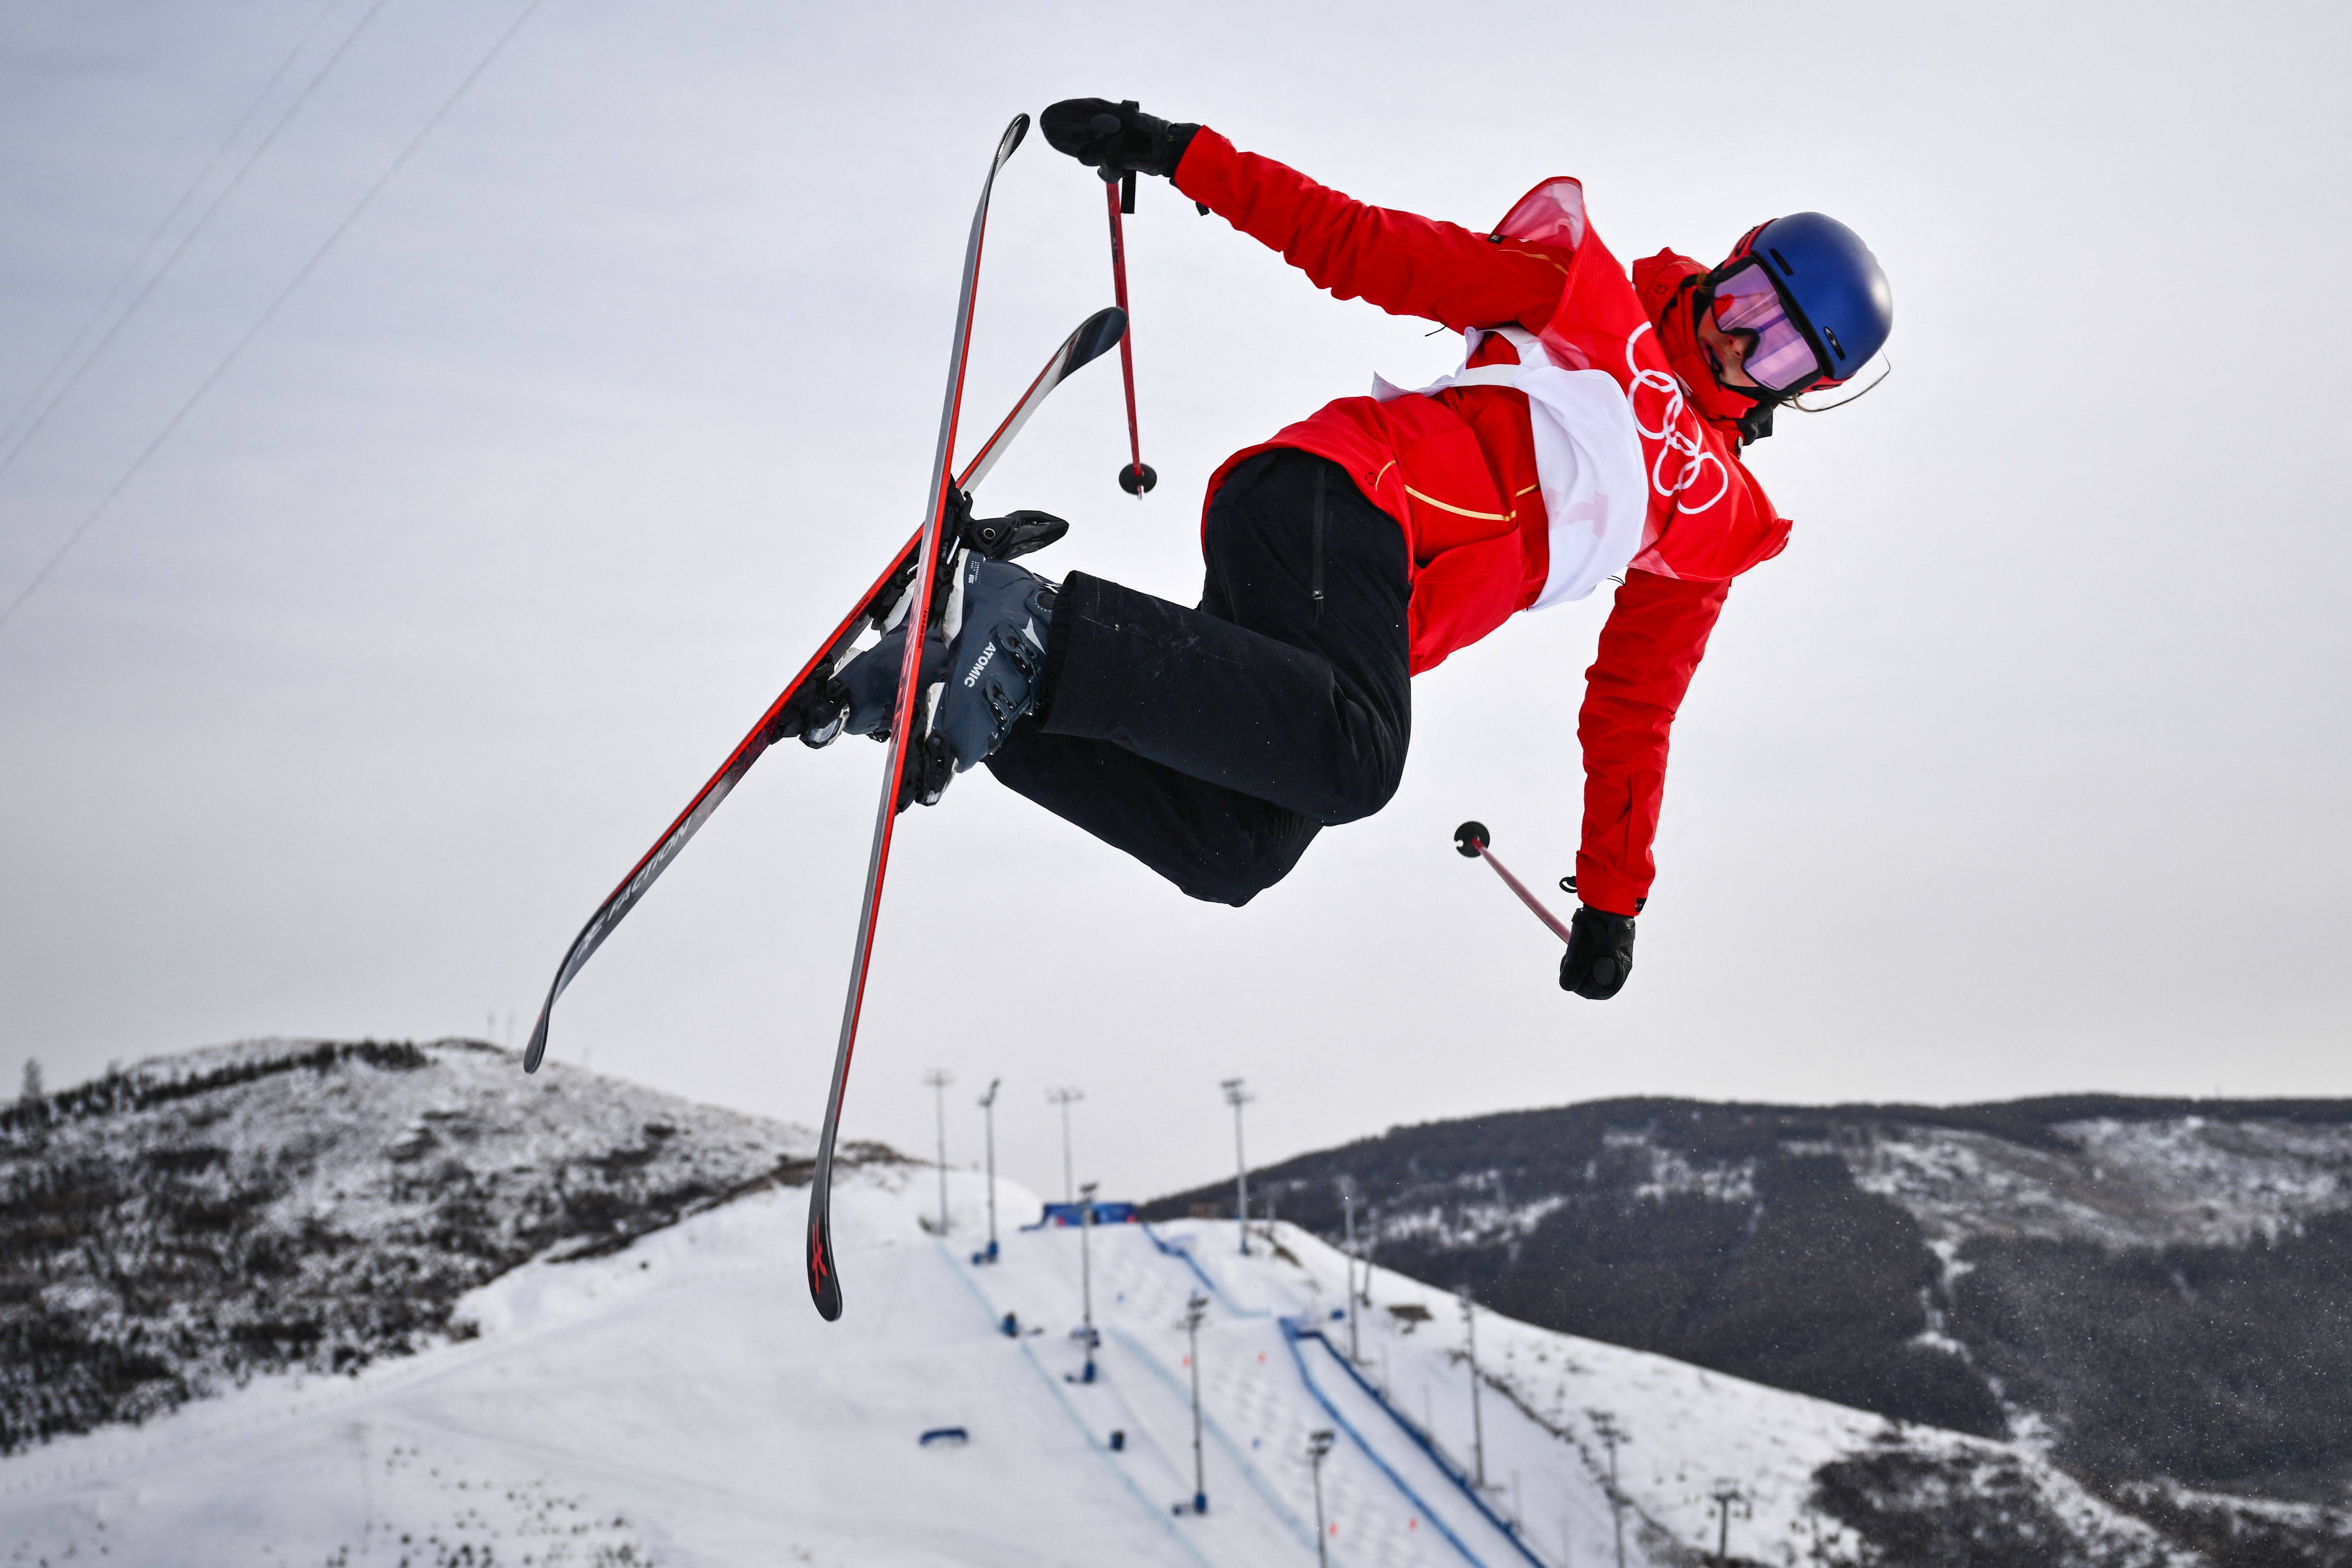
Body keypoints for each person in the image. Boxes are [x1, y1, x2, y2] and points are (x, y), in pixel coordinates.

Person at [833, 100, 1892, 1002]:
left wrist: (1614, 900)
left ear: (1802, 388)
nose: (1739, 339)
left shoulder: (1713, 521)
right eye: (1750, 298)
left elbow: (1635, 710)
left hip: (1350, 611)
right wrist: (1184, 153)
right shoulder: (1579, 293)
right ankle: (1011, 621)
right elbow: (1369, 246)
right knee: (1357, 755)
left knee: (1234, 846)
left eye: (1782, 345)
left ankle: (963, 689)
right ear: (1732, 261)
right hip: (1341, 495)